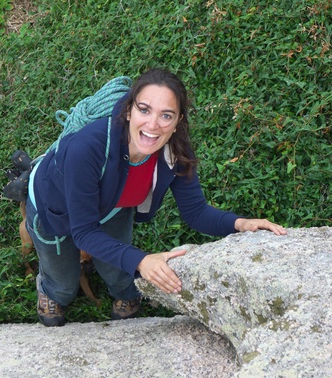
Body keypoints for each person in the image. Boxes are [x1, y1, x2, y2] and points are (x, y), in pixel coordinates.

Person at [25, 68, 287, 327]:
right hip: (54, 207)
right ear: (129, 111)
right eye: (144, 109)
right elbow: (83, 231)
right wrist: (142, 259)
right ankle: (51, 291)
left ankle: (125, 294)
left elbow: (195, 212)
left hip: (113, 206)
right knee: (64, 284)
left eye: (166, 115)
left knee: (119, 269)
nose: (152, 125)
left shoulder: (174, 149)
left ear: (178, 121)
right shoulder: (88, 148)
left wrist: (240, 224)